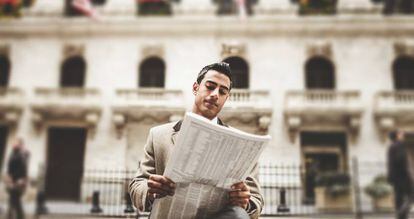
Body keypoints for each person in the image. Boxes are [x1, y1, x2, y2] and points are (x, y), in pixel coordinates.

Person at [129, 62, 263, 219]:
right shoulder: (159, 135)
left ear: (226, 98)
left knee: (239, 215)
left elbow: (256, 201)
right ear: (195, 88)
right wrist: (150, 190)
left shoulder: (243, 144)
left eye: (222, 91)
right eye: (210, 86)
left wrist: (245, 201)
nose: (215, 94)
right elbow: (137, 186)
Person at [387, 130, 413, 219]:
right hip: (403, 177)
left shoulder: (391, 146)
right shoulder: (400, 145)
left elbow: (390, 164)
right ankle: (401, 213)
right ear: (397, 136)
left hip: (395, 178)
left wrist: (390, 178)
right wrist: (409, 176)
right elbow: (401, 160)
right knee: (411, 196)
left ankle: (401, 216)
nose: (403, 135)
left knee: (399, 199)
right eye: (401, 134)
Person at [4, 138, 30, 219]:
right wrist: (8, 177)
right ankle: (12, 216)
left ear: (20, 145)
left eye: (16, 143)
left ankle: (13, 216)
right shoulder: (12, 154)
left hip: (18, 181)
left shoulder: (22, 155)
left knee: (15, 201)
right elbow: (9, 167)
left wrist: (22, 179)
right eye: (13, 142)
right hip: (12, 180)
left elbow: (24, 168)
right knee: (14, 201)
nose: (13, 144)